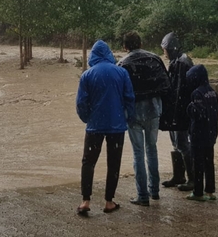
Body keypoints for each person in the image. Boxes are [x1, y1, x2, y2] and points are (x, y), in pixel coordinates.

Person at [76, 40, 135, 215]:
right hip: (116, 127)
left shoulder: (87, 75)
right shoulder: (122, 73)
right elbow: (130, 99)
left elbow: (81, 103)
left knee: (89, 162)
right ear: (109, 54)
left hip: (95, 127)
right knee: (113, 163)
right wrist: (126, 118)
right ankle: (109, 201)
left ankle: (85, 200)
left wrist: (88, 118)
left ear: (93, 55)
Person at [118, 31, 172, 206]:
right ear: (140, 43)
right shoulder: (154, 59)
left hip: (133, 113)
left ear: (125, 47)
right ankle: (154, 191)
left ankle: (142, 195)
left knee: (138, 153)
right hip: (154, 110)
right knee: (152, 149)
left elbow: (120, 92)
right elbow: (166, 85)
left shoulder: (122, 64)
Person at [159, 32, 194, 192]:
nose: (164, 52)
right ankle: (179, 176)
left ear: (170, 48)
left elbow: (179, 92)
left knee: (182, 144)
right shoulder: (179, 61)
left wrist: (175, 114)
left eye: (165, 49)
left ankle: (192, 179)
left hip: (180, 112)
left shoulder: (182, 63)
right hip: (178, 111)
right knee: (176, 144)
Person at [184, 64, 218, 201]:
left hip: (198, 135)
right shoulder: (212, 92)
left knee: (197, 163)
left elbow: (198, 114)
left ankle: (198, 192)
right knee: (209, 163)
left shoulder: (196, 93)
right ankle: (210, 191)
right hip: (211, 133)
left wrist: (189, 108)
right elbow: (215, 112)